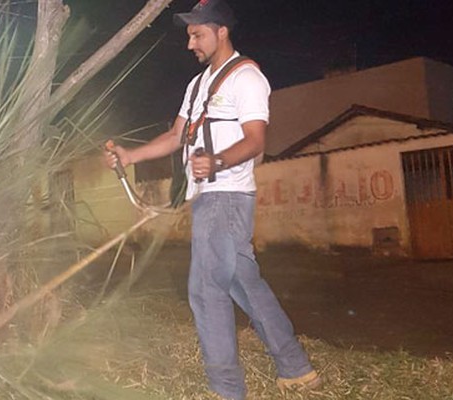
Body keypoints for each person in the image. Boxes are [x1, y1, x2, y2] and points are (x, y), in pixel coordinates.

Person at [104, 0, 321, 398]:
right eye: (189, 35)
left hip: (226, 196)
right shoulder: (199, 84)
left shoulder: (247, 78)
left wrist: (216, 161)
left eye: (197, 34)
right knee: (244, 282)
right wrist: (130, 156)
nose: (190, 44)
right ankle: (295, 367)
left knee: (205, 291)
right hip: (210, 197)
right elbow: (175, 136)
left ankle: (227, 390)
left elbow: (256, 141)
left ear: (221, 31)